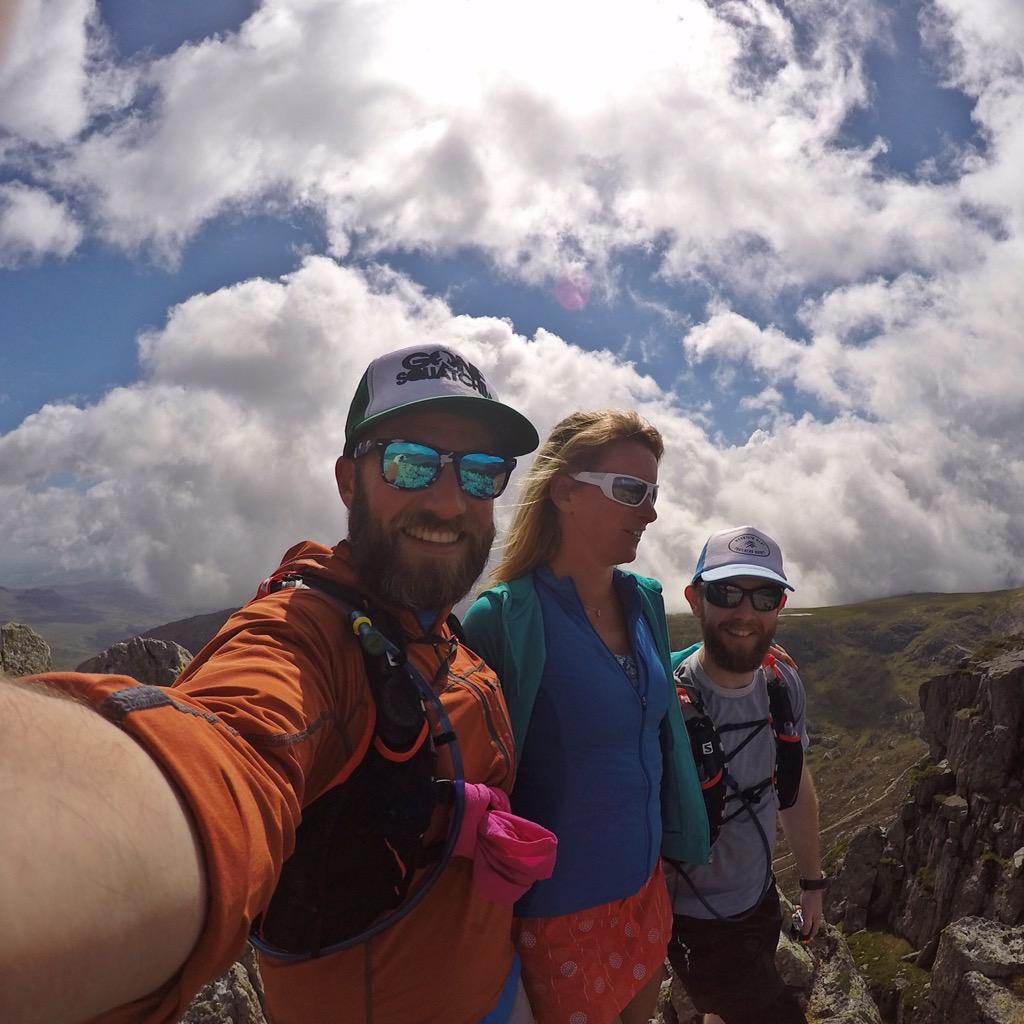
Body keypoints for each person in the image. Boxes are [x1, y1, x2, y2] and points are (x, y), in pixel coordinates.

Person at [0, 344, 551, 1024]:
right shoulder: (306, 639)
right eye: (410, 462)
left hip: (501, 989)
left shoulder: (442, 636)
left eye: (481, 471)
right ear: (349, 481)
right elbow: (225, 752)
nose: (448, 500)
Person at [463, 410, 710, 1024]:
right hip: (556, 915)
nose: (650, 512)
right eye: (631, 491)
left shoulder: (643, 602)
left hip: (646, 893)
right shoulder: (504, 619)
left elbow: (632, 692)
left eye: (653, 493)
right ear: (565, 491)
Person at [666, 526, 824, 1024]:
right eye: (727, 593)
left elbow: (794, 786)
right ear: (695, 599)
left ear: (780, 607)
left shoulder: (783, 683)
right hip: (695, 921)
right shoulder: (663, 705)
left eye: (764, 597)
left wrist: (812, 883)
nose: (746, 612)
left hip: (760, 897)